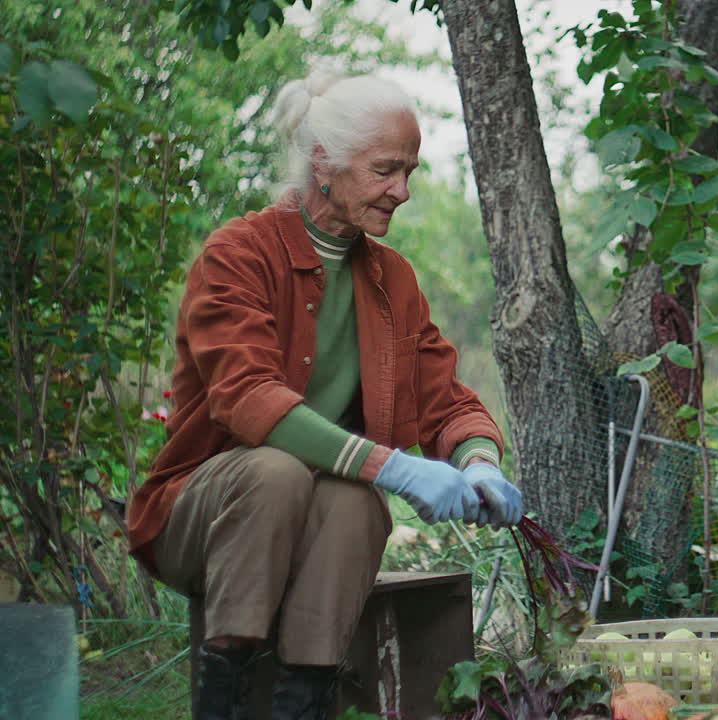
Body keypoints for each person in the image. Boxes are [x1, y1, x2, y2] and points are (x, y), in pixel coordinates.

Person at [126, 70, 522, 720]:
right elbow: (247, 399)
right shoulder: (238, 254)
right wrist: (393, 464)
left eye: (409, 171)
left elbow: (447, 401)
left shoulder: (391, 279)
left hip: (312, 518)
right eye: (386, 170)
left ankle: (304, 703)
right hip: (203, 515)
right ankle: (224, 699)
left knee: (354, 501)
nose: (403, 191)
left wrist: (480, 459)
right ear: (324, 164)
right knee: (278, 472)